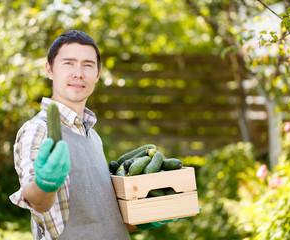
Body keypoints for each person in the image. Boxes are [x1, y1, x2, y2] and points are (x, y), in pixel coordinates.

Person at [9, 30, 181, 240]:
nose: (78, 73)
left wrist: (148, 217)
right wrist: (46, 184)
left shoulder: (92, 136)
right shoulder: (38, 130)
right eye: (68, 63)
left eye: (87, 65)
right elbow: (36, 201)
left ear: (97, 74)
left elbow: (97, 222)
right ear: (49, 69)